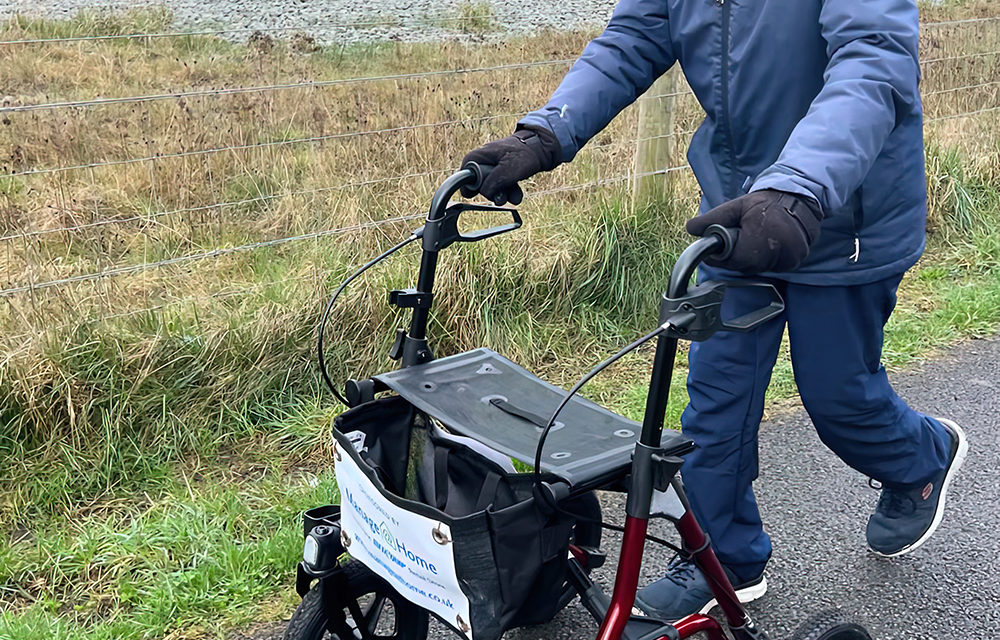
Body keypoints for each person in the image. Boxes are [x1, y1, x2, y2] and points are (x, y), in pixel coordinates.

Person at [461, 0, 969, 620]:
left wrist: (799, 186)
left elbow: (872, 63)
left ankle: (922, 459)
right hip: (737, 217)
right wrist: (546, 132)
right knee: (715, 403)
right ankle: (725, 558)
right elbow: (634, 38)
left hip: (842, 217)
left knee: (840, 397)